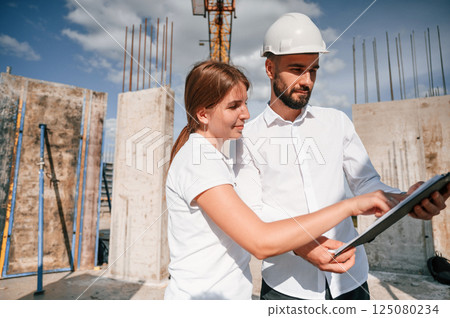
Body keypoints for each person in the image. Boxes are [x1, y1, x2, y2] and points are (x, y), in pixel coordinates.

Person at [233, 12, 450, 300]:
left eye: (313, 70)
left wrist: (405, 200)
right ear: (270, 68)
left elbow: (366, 184)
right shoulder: (247, 138)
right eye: (297, 69)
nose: (307, 81)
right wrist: (303, 245)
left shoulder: (337, 123)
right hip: (288, 286)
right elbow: (253, 212)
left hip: (351, 280)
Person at [164, 60, 399, 300]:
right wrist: (351, 205)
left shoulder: (213, 157)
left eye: (245, 103)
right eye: (234, 106)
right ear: (203, 114)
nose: (246, 113)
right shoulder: (200, 162)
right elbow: (261, 241)